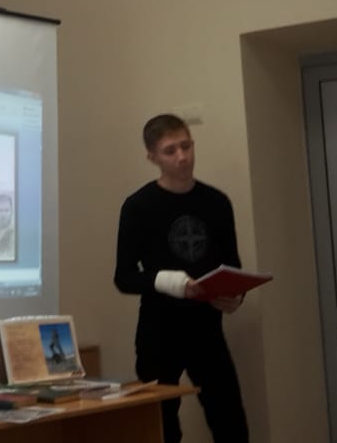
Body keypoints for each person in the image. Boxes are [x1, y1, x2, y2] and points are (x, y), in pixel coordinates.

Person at [113, 114, 250, 443]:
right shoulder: (138, 206)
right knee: (162, 428)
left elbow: (232, 264)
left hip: (207, 331)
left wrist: (234, 296)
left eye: (186, 146)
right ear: (152, 157)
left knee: (231, 424)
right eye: (170, 150)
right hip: (158, 333)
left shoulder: (216, 202)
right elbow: (125, 277)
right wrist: (174, 284)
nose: (182, 156)